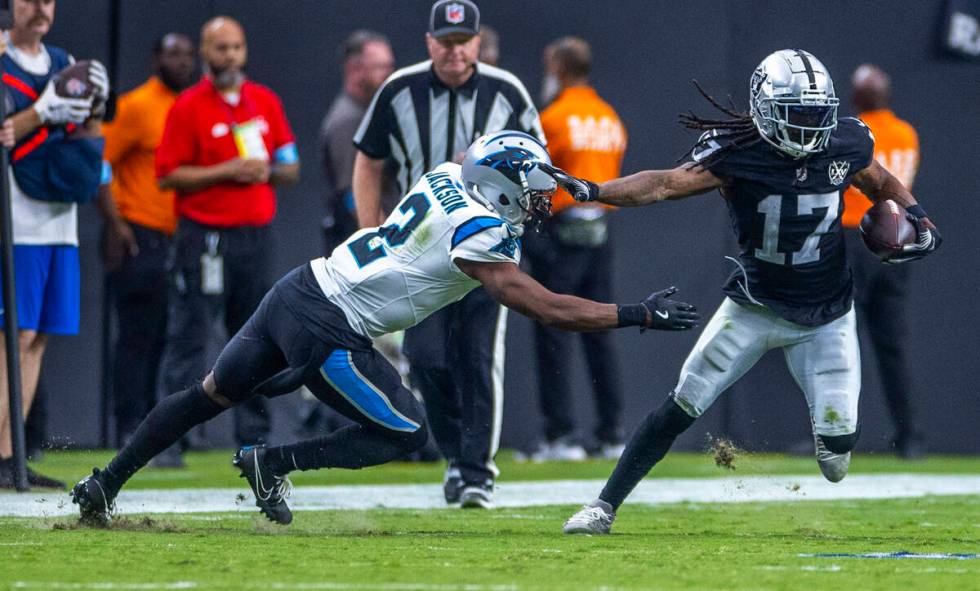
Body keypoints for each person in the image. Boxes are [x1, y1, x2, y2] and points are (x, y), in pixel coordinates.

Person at [71, 130, 700, 525]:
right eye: (532, 192)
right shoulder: (477, 231)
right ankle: (271, 461)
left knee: (208, 393)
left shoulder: (448, 176)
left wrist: (570, 181)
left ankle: (105, 482)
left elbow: (480, 159)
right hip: (331, 326)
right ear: (500, 189)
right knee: (407, 432)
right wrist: (636, 313)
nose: (539, 203)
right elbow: (544, 307)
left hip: (299, 287)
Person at [552, 49, 941, 534]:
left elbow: (880, 180)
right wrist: (594, 190)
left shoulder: (846, 140)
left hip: (828, 315)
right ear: (764, 109)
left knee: (837, 459)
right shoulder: (737, 150)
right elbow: (664, 185)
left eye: (816, 114)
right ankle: (602, 506)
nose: (807, 126)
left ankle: (830, 434)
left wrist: (917, 215)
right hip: (754, 307)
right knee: (683, 401)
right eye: (795, 113)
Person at [352, 0, 545, 508]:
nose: (455, 52)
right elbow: (368, 161)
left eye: (464, 42)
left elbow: (539, 166)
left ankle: (476, 470)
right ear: (429, 41)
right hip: (420, 250)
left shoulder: (508, 91)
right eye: (446, 41)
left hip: (486, 246)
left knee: (478, 356)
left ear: (478, 42)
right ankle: (457, 457)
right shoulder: (399, 89)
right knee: (426, 355)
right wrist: (368, 230)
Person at [154, 16, 299, 460]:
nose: (230, 56)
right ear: (205, 52)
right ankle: (168, 440)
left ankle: (253, 437)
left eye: (236, 47)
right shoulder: (189, 106)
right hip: (204, 239)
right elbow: (166, 176)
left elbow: (291, 168)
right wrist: (227, 171)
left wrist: (267, 172)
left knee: (256, 336)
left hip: (253, 239)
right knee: (190, 337)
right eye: (221, 48)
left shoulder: (265, 102)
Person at [0, 0, 108, 489]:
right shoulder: (2, 63)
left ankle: (10, 455)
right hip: (17, 217)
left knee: (38, 337)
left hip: (60, 215)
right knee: (13, 337)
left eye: (49, 0)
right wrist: (40, 112)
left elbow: (88, 130)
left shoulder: (65, 63)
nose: (41, 8)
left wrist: (93, 114)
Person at [525, 37, 628, 461]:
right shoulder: (609, 117)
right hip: (600, 229)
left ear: (561, 68)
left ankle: (560, 435)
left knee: (552, 326)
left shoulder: (553, 117)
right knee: (600, 329)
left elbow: (535, 177)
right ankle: (611, 432)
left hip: (561, 230)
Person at [100, 33, 196, 445]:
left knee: (167, 335)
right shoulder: (137, 106)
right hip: (139, 234)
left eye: (188, 56)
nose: (182, 63)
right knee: (136, 335)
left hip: (181, 237)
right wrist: (114, 223)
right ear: (156, 56)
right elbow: (99, 163)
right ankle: (128, 425)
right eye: (173, 54)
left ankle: (160, 430)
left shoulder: (188, 108)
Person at [842, 64, 922, 459]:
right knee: (892, 344)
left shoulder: (856, 132)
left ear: (858, 97)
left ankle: (841, 434)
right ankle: (909, 437)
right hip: (898, 240)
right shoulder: (906, 132)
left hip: (855, 236)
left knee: (840, 340)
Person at [319, 30, 396, 255]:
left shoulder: (372, 113)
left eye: (390, 66)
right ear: (355, 69)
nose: (389, 74)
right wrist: (384, 243)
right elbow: (352, 195)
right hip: (362, 247)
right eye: (380, 67)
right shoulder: (348, 121)